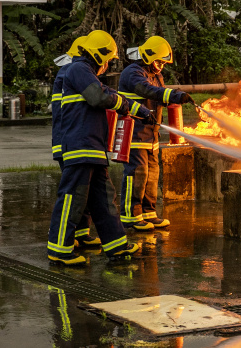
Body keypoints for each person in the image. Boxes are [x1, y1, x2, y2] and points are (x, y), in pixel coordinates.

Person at [47, 30, 156, 265]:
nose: (107, 65)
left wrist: (139, 111)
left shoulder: (86, 72)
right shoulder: (77, 70)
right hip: (80, 147)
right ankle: (59, 250)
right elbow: (98, 97)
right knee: (72, 198)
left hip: (93, 148)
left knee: (104, 199)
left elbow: (106, 95)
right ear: (98, 56)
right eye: (107, 60)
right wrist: (127, 105)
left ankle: (116, 245)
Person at [117, 36, 194, 231]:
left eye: (163, 63)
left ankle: (148, 212)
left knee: (152, 174)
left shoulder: (155, 74)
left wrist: (173, 96)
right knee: (137, 173)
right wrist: (174, 94)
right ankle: (130, 215)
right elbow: (149, 91)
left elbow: (159, 95)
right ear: (148, 56)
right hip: (134, 132)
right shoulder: (132, 73)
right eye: (159, 61)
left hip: (152, 134)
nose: (161, 66)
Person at [51, 35, 100, 250]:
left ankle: (81, 233)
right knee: (76, 192)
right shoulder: (70, 72)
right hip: (70, 142)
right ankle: (63, 242)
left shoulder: (70, 70)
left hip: (71, 139)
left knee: (84, 191)